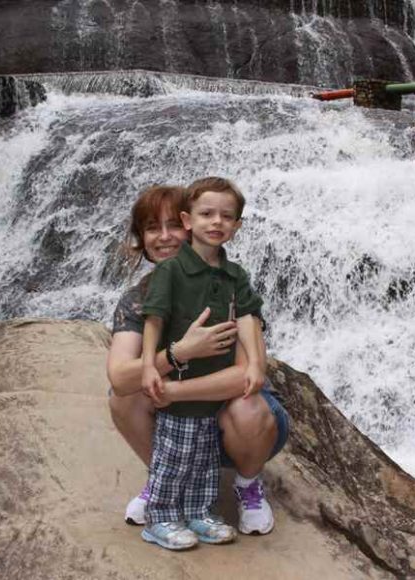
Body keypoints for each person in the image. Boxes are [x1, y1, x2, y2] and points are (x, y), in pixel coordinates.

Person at [106, 181, 290, 544]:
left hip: (243, 426)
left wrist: (173, 389)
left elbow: (246, 373)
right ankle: (165, 485)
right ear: (141, 239)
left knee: (247, 407)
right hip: (181, 423)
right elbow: (120, 376)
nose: (164, 237)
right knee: (123, 396)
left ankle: (248, 485)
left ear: (189, 226)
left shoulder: (226, 284)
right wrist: (179, 353)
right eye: (151, 228)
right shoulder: (138, 299)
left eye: (173, 225)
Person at [137, 177, 266, 550]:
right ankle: (159, 517)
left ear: (237, 226)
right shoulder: (171, 271)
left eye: (227, 216)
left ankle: (199, 513)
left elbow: (246, 318)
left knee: (204, 461)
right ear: (187, 220)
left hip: (212, 393)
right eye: (207, 214)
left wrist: (255, 363)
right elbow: (154, 318)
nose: (217, 222)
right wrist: (149, 366)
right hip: (178, 390)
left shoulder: (233, 274)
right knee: (173, 458)